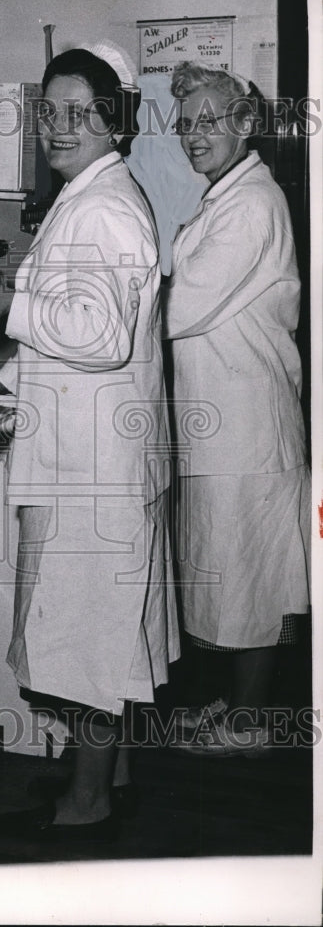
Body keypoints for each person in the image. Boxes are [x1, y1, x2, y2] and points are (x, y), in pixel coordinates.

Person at [0, 44, 179, 841]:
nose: (58, 127)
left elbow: (98, 334)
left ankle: (89, 803)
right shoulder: (90, 193)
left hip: (91, 471)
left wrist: (3, 301)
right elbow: (87, 335)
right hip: (90, 447)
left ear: (115, 122)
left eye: (79, 113)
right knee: (97, 629)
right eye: (49, 111)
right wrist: (10, 372)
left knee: (87, 638)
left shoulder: (102, 206)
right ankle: (110, 776)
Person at [163, 60, 311, 755]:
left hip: (248, 426)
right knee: (225, 571)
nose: (194, 135)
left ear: (244, 124)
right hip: (218, 422)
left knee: (252, 576)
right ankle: (234, 704)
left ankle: (251, 721)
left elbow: (179, 303)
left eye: (209, 121)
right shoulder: (224, 195)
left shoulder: (253, 203)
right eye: (186, 123)